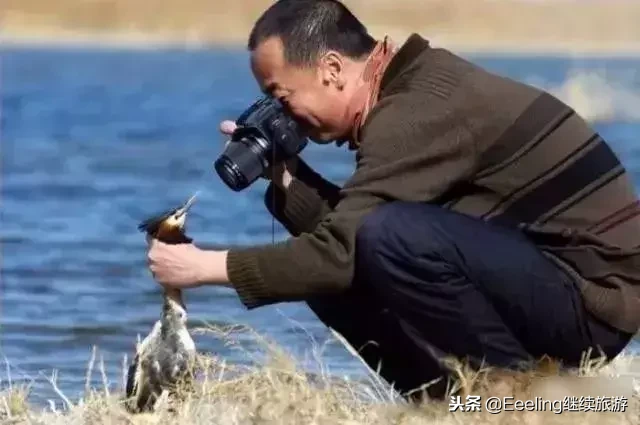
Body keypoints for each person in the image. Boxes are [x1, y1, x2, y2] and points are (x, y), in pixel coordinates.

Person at [146, 0, 640, 400]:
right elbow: (348, 238)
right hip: (557, 285)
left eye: (281, 95)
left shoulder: (413, 115)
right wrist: (286, 178)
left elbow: (351, 247)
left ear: (333, 68)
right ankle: (447, 402)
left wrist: (202, 268)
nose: (284, 113)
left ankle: (512, 399)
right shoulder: (412, 90)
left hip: (593, 304)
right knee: (337, 262)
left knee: (375, 241)